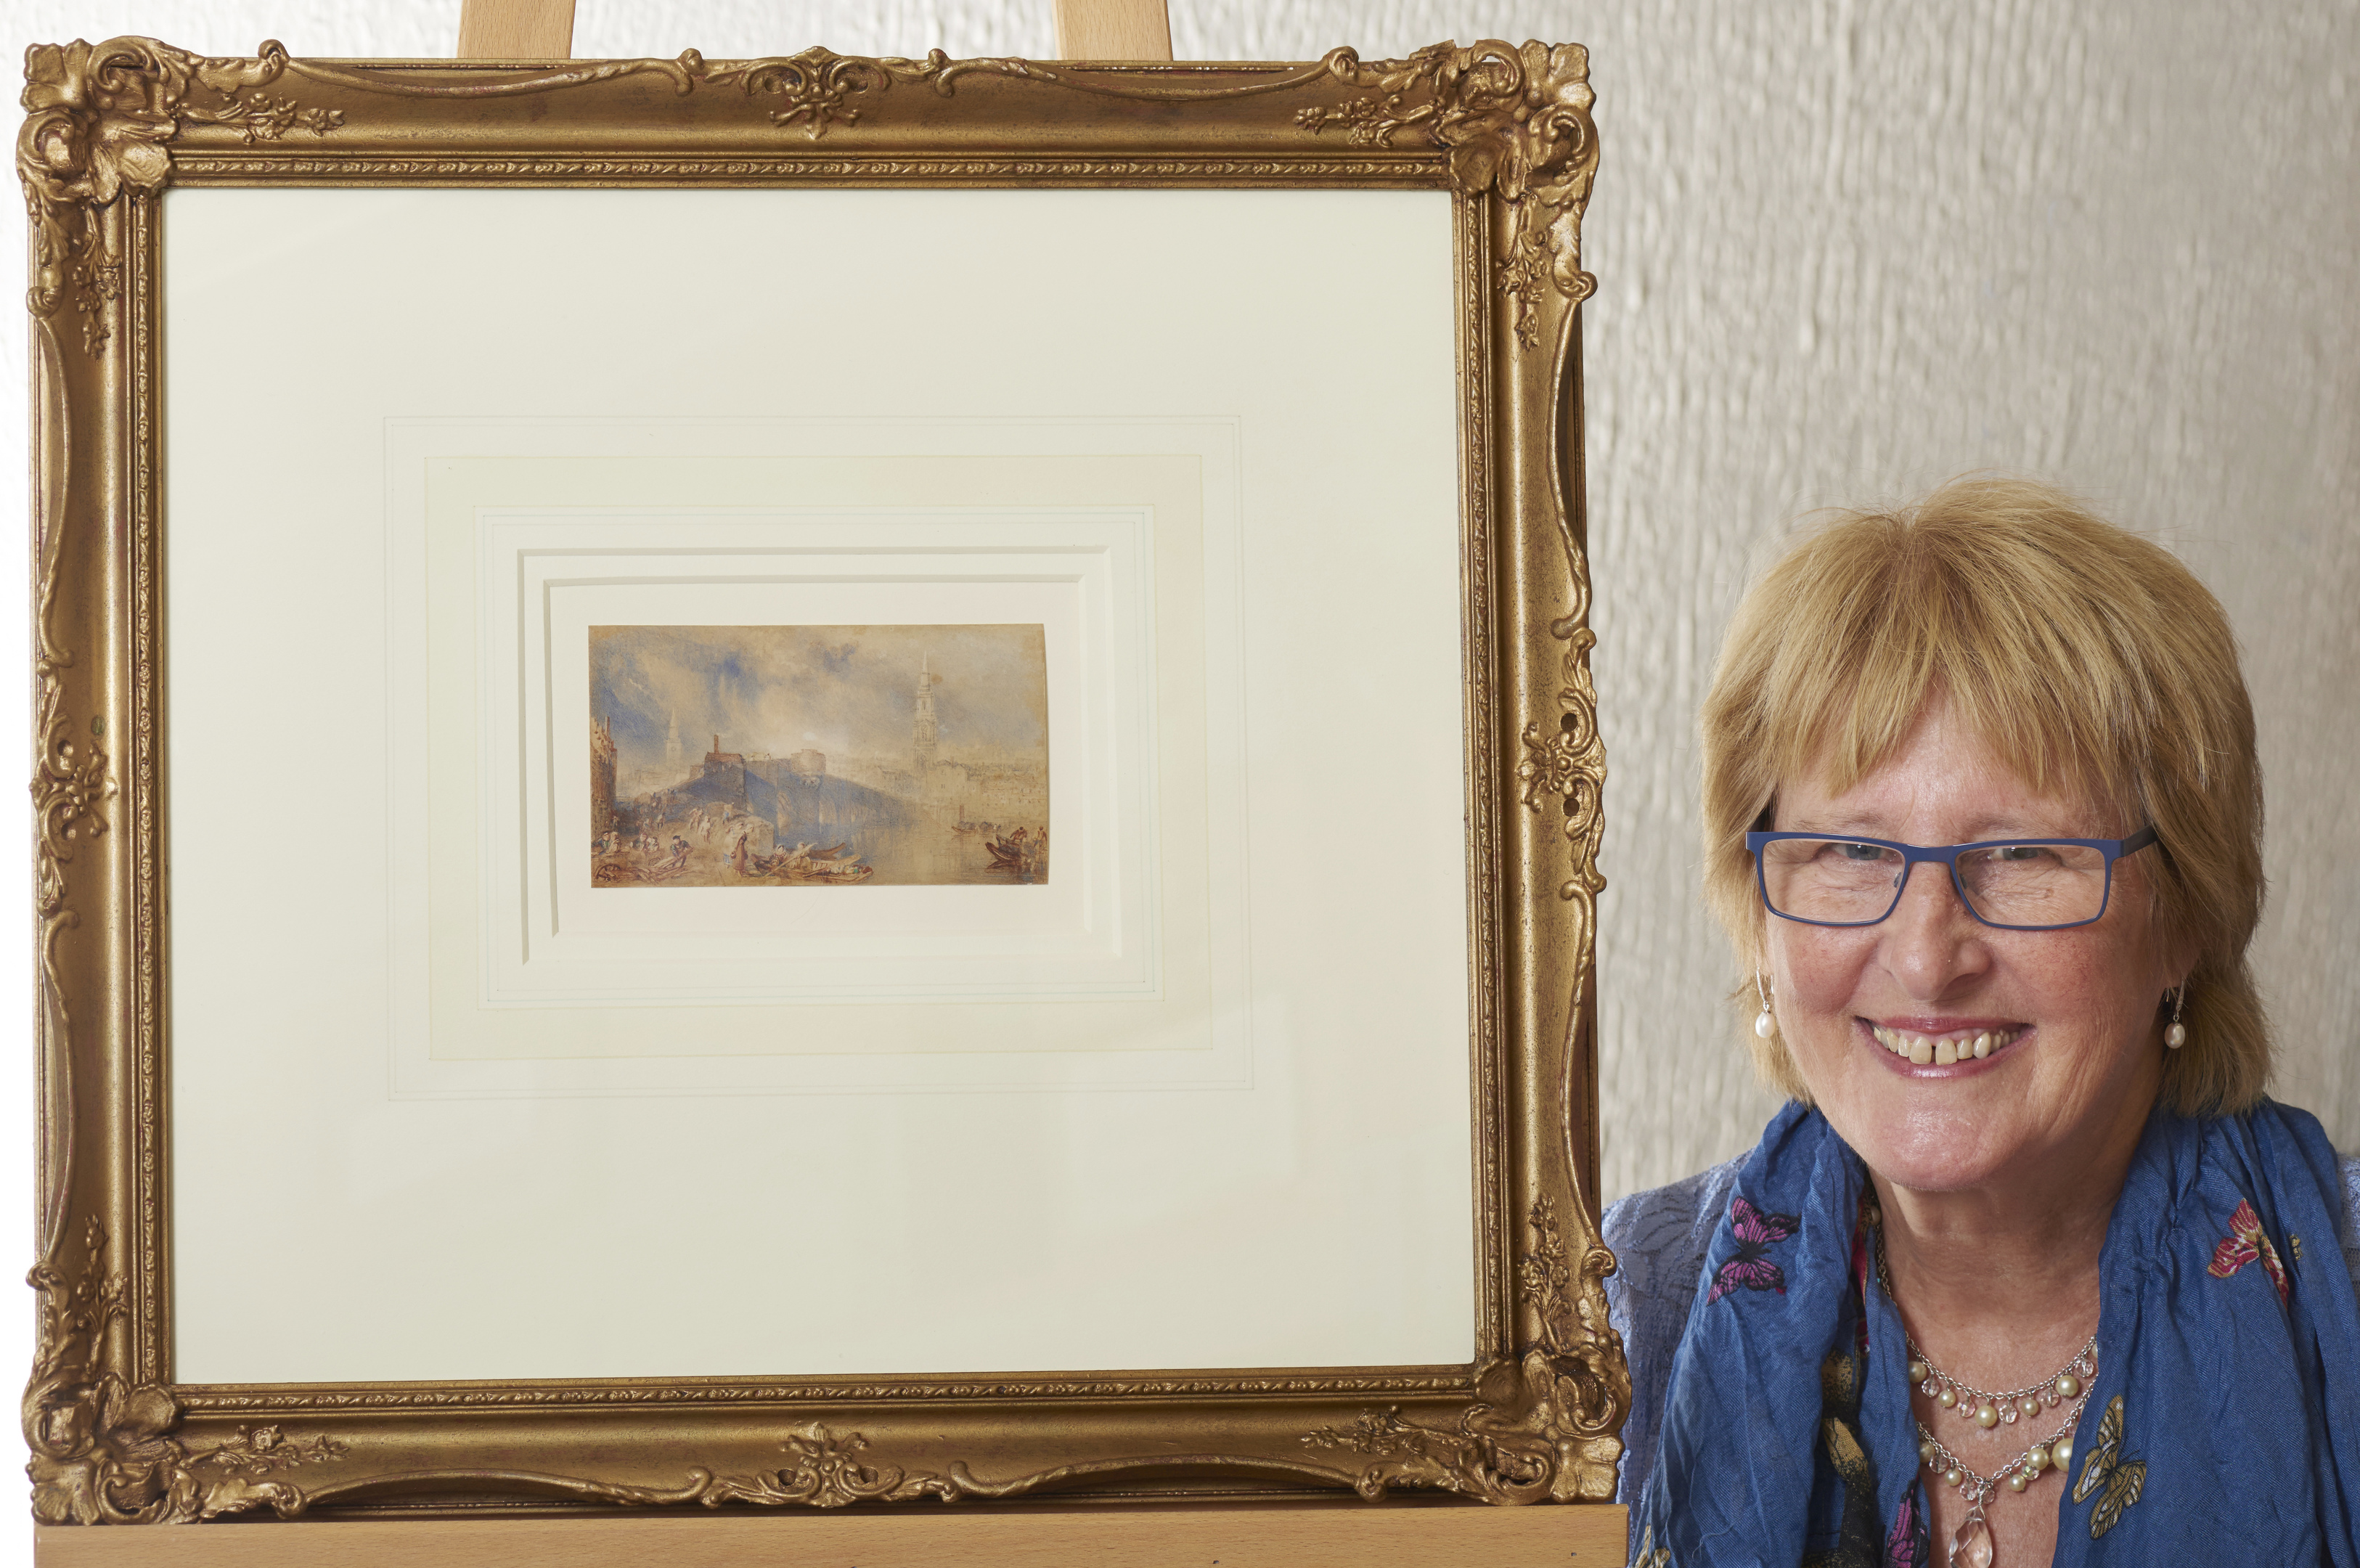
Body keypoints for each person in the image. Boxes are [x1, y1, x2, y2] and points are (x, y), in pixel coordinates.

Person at [1605, 478, 2360, 1566]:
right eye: (1852, 851)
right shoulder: (1615, 1321)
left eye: (2021, 855)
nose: (1925, 955)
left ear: (2185, 916)